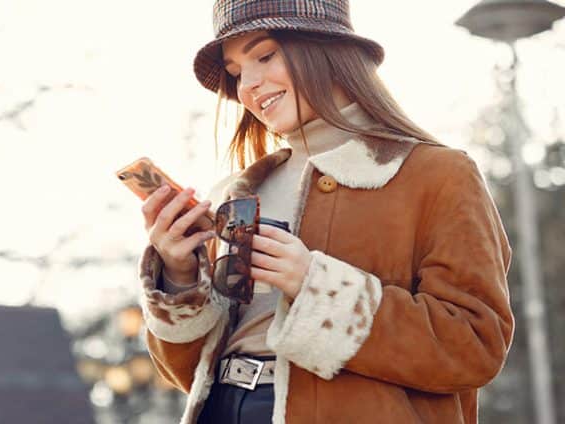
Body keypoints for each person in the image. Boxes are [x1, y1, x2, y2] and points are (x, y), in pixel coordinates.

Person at [136, 1, 514, 423]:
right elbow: (186, 374)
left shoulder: (437, 174)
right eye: (237, 72)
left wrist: (314, 286)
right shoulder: (238, 191)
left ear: (327, 50)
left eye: (265, 56)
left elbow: (475, 346)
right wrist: (178, 276)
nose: (250, 85)